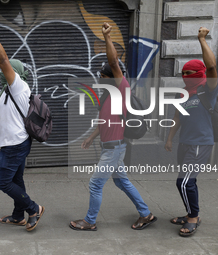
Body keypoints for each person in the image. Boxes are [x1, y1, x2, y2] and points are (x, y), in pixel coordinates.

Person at [70, 22, 157, 231]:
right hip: (111, 147)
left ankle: (89, 222)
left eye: (103, 74)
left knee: (95, 184)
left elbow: (114, 64)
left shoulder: (122, 89)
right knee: (121, 182)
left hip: (114, 148)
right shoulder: (107, 95)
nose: (99, 76)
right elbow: (105, 121)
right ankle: (146, 214)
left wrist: (107, 37)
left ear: (111, 77)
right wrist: (92, 137)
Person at [0, 16, 44, 232]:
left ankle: (33, 208)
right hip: (15, 143)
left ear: (14, 73)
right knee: (16, 180)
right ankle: (18, 215)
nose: (2, 73)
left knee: (3, 183)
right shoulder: (8, 91)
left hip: (14, 145)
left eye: (6, 71)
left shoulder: (18, 86)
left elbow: (3, 60)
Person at [165, 27, 218, 237]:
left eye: (190, 72)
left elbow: (212, 65)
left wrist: (201, 39)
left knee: (184, 181)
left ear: (200, 73)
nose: (186, 76)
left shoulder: (208, 89)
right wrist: (169, 138)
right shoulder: (183, 94)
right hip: (185, 143)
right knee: (185, 181)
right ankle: (189, 213)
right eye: (184, 73)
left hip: (201, 143)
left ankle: (194, 218)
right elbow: (177, 118)